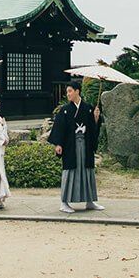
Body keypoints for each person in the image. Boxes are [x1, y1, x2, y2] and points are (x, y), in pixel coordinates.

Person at [47, 82, 103, 213]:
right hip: (71, 146)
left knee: (87, 171)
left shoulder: (88, 108)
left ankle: (90, 201)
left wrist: (95, 118)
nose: (68, 94)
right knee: (70, 171)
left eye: (70, 91)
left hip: (85, 145)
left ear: (77, 91)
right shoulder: (65, 110)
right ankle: (64, 202)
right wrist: (58, 144)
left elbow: (93, 130)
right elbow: (59, 128)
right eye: (67, 92)